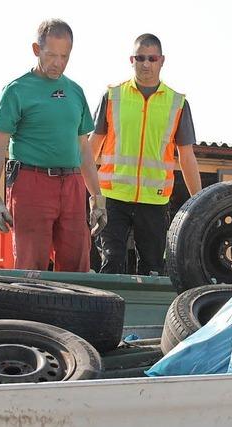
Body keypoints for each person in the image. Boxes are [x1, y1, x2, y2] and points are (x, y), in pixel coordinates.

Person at [0, 18, 107, 272]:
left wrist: (97, 198)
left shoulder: (75, 91)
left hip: (71, 185)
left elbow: (84, 149)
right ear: (37, 50)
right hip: (31, 184)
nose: (57, 63)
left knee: (77, 267)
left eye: (64, 56)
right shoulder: (16, 90)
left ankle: (74, 313)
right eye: (50, 55)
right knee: (31, 266)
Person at [89, 33, 202, 275]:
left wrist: (200, 203)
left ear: (162, 60)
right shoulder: (112, 96)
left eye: (152, 58)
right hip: (112, 198)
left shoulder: (177, 103)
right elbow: (92, 147)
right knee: (111, 264)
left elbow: (187, 156)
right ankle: (109, 313)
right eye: (140, 58)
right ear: (131, 59)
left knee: (152, 268)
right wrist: (85, 192)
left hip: (154, 200)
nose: (146, 64)